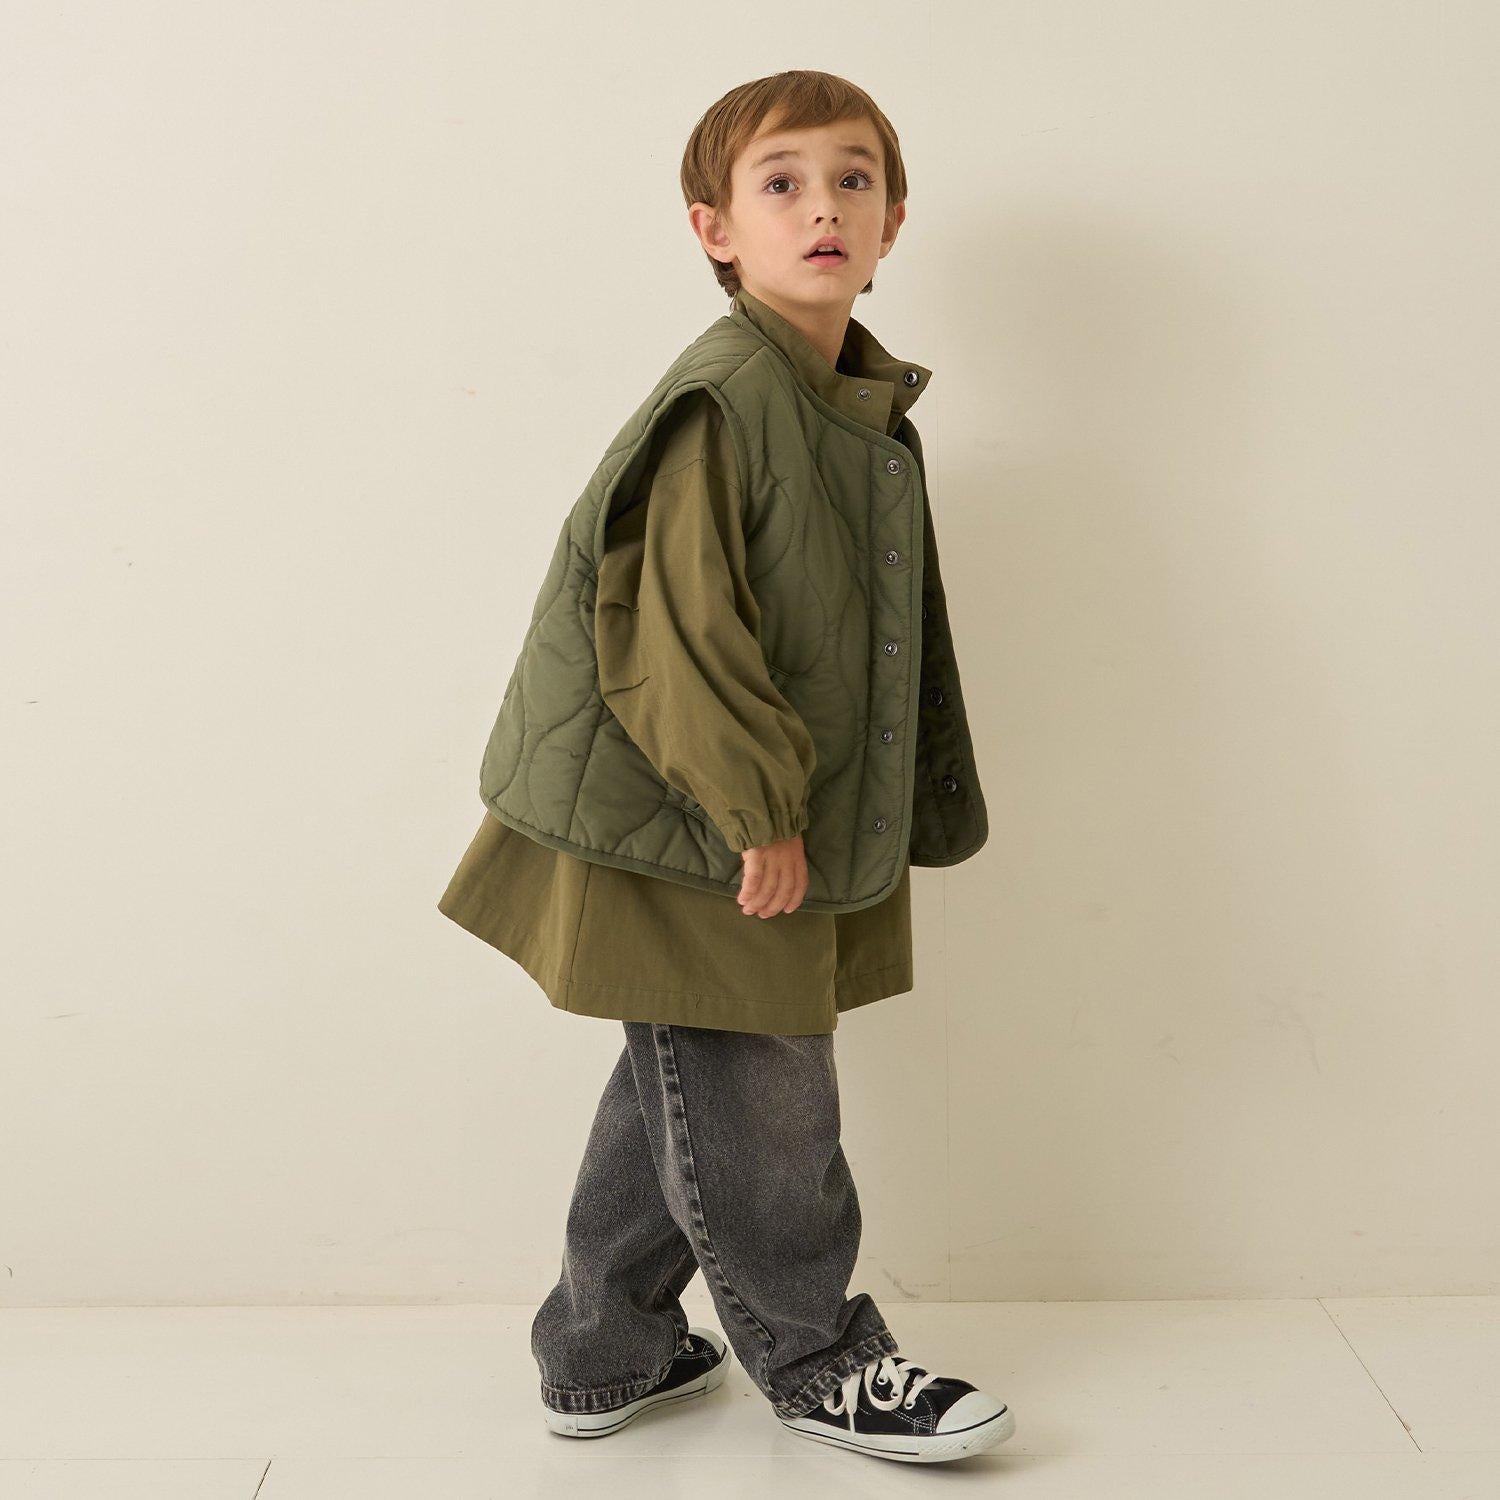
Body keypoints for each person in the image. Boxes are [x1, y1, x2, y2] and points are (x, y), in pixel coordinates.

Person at [438, 69, 1012, 1464]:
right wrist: (758, 811)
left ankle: (604, 1353)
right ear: (714, 228)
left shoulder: (843, 404)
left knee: (683, 1070)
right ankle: (819, 1361)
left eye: (855, 179)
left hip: (714, 808)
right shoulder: (730, 397)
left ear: (893, 223)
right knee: (762, 1087)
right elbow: (673, 631)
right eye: (782, 182)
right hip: (690, 809)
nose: (825, 206)